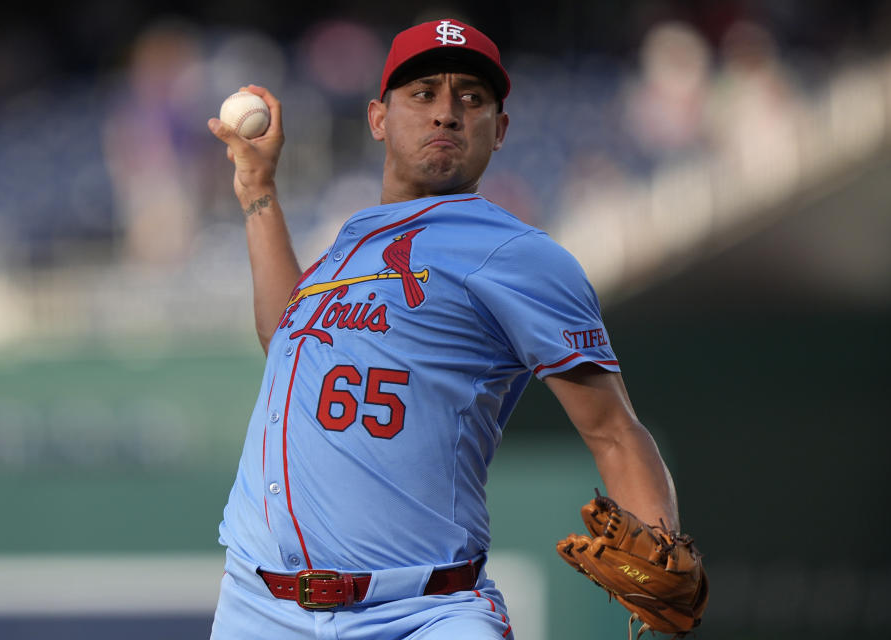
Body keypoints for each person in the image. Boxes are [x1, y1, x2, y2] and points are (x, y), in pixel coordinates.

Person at [207, 18, 680, 640]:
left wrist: (663, 556)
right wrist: (257, 188)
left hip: (424, 611)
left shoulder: (518, 254)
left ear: (499, 129)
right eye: (423, 93)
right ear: (379, 119)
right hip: (259, 607)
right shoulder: (348, 245)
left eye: (472, 98)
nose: (446, 113)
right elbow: (282, 335)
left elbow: (614, 429)